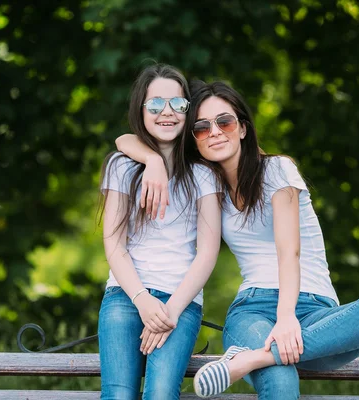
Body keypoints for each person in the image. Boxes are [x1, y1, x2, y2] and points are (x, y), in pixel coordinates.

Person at [115, 80, 359, 399]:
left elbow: (289, 252)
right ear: (193, 139)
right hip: (252, 311)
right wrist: (155, 161)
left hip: (316, 315)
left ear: (242, 128)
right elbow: (124, 138)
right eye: (201, 127)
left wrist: (286, 318)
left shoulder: (277, 170)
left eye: (224, 121)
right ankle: (266, 357)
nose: (215, 131)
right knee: (279, 379)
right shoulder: (209, 185)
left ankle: (250, 359)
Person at [98, 65, 221, 400]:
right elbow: (114, 244)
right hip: (126, 296)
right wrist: (142, 301)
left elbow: (208, 252)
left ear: (188, 110)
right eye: (155, 105)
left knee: (161, 395)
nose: (166, 113)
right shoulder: (121, 167)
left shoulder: (203, 174)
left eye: (178, 104)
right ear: (141, 109)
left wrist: (168, 312)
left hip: (180, 302)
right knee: (118, 396)